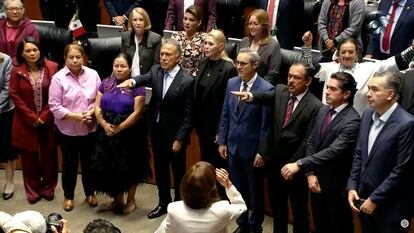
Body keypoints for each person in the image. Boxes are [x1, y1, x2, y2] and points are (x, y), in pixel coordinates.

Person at [234, 62, 322, 233]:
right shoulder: (281, 91)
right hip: (274, 164)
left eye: (296, 78)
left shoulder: (315, 106)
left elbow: (308, 140)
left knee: (299, 211)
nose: (291, 80)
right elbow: (266, 97)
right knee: (278, 208)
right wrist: (250, 96)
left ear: (308, 81)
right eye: (289, 76)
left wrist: (295, 164)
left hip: (295, 167)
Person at [119, 38, 194, 219]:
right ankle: (163, 203)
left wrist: (180, 138)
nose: (163, 57)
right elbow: (143, 78)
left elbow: (189, 114)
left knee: (178, 173)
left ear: (178, 57)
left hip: (175, 136)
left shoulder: (187, 80)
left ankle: (178, 207)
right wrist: (131, 82)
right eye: (161, 54)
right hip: (157, 132)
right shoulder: (156, 71)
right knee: (160, 171)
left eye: (168, 54)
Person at [281, 72, 360, 233]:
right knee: (319, 225)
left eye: (333, 89)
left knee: (339, 226)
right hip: (316, 181)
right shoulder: (324, 110)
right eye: (327, 87)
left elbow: (333, 151)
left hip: (336, 187)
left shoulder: (352, 120)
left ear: (346, 94)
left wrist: (300, 163)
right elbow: (312, 141)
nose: (327, 92)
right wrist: (310, 173)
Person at [347, 71, 414, 233]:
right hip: (363, 198)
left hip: (391, 207)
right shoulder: (368, 114)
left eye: (375, 89)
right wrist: (352, 186)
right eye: (369, 88)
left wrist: (375, 199)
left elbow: (401, 170)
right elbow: (359, 153)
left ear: (390, 94)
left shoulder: (407, 124)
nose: (368, 94)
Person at [217, 48, 273, 233]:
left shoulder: (266, 89)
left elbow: (266, 125)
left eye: (243, 63)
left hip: (253, 151)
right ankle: (242, 225)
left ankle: (255, 227)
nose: (238, 67)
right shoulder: (231, 82)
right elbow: (225, 114)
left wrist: (262, 151)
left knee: (255, 193)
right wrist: (223, 141)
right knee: (237, 190)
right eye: (237, 63)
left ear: (255, 65)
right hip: (233, 147)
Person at [301, 31, 414, 115]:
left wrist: (412, 49)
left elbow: (394, 63)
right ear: (338, 54)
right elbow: (308, 69)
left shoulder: (368, 69)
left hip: (355, 123)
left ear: (356, 55)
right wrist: (307, 47)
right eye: (343, 52)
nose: (347, 55)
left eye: (351, 52)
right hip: (327, 119)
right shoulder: (329, 68)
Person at [92, 53, 150, 214]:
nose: (119, 69)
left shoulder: (137, 85)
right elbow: (97, 107)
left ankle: (131, 201)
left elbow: (137, 113)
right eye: (116, 66)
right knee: (112, 166)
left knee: (131, 167)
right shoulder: (106, 83)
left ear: (130, 68)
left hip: (130, 133)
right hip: (107, 132)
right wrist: (104, 124)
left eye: (123, 66)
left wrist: (120, 127)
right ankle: (117, 199)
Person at [49, 43, 101, 212]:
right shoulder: (58, 78)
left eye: (78, 57)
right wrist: (77, 116)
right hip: (68, 131)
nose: (75, 60)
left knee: (89, 163)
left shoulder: (93, 75)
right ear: (65, 59)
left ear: (83, 57)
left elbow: (99, 99)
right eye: (71, 57)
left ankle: (90, 193)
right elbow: (54, 106)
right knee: (69, 164)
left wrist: (91, 112)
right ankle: (69, 196)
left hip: (90, 128)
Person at [9, 37, 58, 204]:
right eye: (28, 50)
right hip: (25, 120)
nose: (32, 53)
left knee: (49, 155)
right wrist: (32, 117)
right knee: (29, 157)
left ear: (40, 50)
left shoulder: (52, 67)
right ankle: (33, 191)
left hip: (48, 119)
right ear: (21, 53)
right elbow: (14, 94)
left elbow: (56, 94)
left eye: (35, 50)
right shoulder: (16, 70)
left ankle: (48, 188)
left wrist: (43, 116)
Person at [155, 161, 247, 233]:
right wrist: (228, 185)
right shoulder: (222, 209)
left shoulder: (174, 209)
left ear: (184, 186)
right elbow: (241, 206)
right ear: (212, 189)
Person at [193, 29, 237, 171]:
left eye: (210, 44)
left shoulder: (229, 69)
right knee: (205, 164)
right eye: (205, 43)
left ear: (221, 47)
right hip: (202, 125)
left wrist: (221, 131)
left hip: (217, 127)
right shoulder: (203, 63)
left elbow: (229, 103)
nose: (206, 46)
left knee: (218, 168)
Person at [240, 9, 281, 86]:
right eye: (249, 24)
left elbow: (272, 74)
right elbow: (238, 65)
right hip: (242, 82)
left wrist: (257, 87)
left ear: (264, 26)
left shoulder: (273, 45)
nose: (251, 27)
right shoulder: (244, 41)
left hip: (261, 87)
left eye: (255, 24)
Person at [121, 7, 161, 77]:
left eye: (141, 20)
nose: (138, 23)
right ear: (131, 21)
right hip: (127, 79)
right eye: (135, 20)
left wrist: (139, 80)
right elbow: (122, 60)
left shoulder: (155, 39)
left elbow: (156, 67)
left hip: (146, 81)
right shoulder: (125, 37)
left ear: (146, 21)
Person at [171, 5, 206, 77]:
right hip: (175, 76)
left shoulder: (204, 38)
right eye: (185, 18)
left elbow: (205, 63)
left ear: (199, 23)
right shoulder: (175, 36)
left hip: (194, 78)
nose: (187, 22)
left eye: (191, 20)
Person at [0, 52, 16, 201]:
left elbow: (7, 88)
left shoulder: (4, 59)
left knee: (5, 149)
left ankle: (9, 182)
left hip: (3, 110)